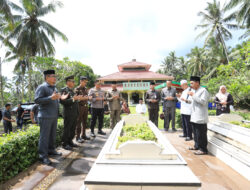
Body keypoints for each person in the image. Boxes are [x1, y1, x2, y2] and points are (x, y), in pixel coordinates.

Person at [35, 70, 63, 165]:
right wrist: (50, 98)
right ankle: (42, 156)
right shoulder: (42, 87)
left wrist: (60, 97)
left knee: (52, 135)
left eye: (55, 76)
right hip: (45, 116)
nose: (55, 78)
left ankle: (51, 150)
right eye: (53, 76)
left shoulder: (54, 88)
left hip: (53, 115)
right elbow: (37, 100)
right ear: (47, 77)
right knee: (44, 137)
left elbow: (56, 98)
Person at [188, 76, 209, 155]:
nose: (191, 85)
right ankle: (196, 146)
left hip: (200, 116)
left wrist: (193, 95)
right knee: (196, 133)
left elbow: (203, 102)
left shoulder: (203, 91)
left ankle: (203, 149)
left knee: (201, 134)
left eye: (192, 83)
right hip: (194, 116)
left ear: (197, 83)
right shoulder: (194, 91)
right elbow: (193, 102)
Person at [60, 75, 81, 150]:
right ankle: (64, 143)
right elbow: (62, 101)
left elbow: (75, 101)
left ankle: (70, 141)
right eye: (72, 81)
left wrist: (77, 99)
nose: (74, 83)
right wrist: (73, 99)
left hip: (74, 112)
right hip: (68, 113)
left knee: (72, 129)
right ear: (68, 82)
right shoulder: (64, 90)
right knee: (67, 129)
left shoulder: (72, 90)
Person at [75, 76, 91, 143]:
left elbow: (86, 97)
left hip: (85, 107)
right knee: (79, 122)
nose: (85, 83)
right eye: (84, 82)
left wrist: (88, 98)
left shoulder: (85, 89)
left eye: (86, 82)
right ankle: (78, 137)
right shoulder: (77, 89)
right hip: (80, 107)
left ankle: (83, 135)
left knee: (84, 122)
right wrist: (83, 98)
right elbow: (75, 98)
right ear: (81, 81)